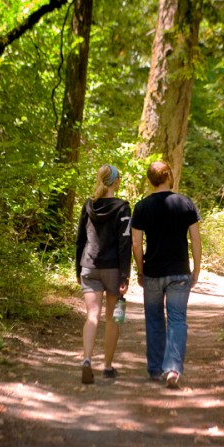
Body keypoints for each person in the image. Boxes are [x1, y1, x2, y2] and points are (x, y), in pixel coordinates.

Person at [131, 161, 201, 389]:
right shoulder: (185, 203)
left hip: (152, 272)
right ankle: (172, 369)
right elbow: (196, 240)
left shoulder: (141, 207)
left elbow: (136, 243)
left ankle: (154, 369)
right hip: (179, 271)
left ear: (150, 179)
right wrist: (196, 269)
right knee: (177, 319)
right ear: (169, 176)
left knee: (154, 319)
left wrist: (141, 270)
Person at [75, 164, 132, 384]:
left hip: (89, 266)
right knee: (112, 318)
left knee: (92, 316)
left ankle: (87, 360)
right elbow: (124, 243)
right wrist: (125, 275)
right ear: (116, 182)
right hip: (112, 269)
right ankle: (107, 366)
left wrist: (77, 270)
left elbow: (80, 239)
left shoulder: (88, 205)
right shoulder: (123, 207)